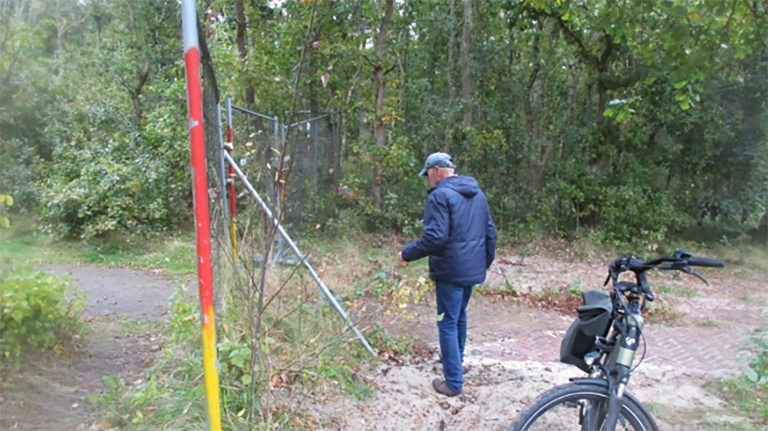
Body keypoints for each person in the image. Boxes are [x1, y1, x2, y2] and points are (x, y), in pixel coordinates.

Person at [398, 152, 496, 397]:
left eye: (429, 175)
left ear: (436, 171)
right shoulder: (477, 193)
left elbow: (435, 237)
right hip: (471, 269)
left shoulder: (440, 196)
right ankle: (456, 368)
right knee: (459, 317)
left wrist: (407, 254)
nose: (429, 180)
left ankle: (453, 382)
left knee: (447, 323)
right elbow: (490, 232)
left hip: (451, 271)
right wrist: (483, 263)